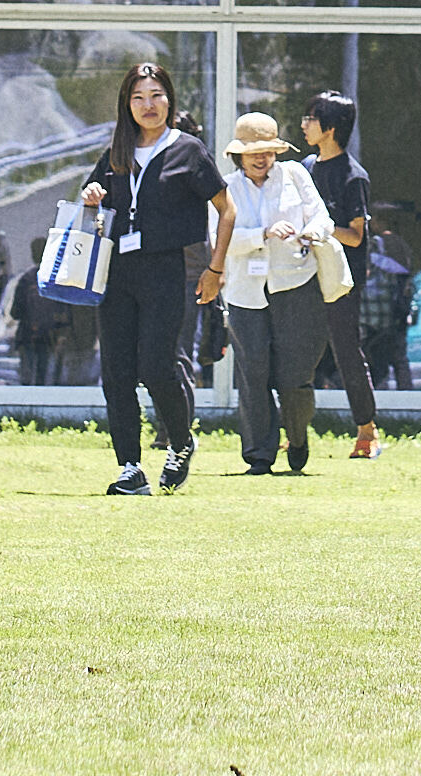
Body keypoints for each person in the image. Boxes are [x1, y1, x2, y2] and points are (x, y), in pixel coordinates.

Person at [88, 56, 217, 493]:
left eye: (156, 96)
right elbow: (95, 202)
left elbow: (227, 208)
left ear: (169, 100)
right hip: (117, 272)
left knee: (158, 367)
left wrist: (216, 269)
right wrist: (92, 196)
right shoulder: (116, 152)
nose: (148, 105)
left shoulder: (187, 149)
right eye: (138, 97)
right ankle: (130, 466)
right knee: (117, 372)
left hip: (165, 269)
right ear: (126, 104)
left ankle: (180, 443)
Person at [207, 106, 345, 474]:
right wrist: (262, 234)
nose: (262, 159)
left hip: (296, 285)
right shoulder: (226, 187)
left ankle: (297, 436)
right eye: (254, 153)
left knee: (296, 376)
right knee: (252, 374)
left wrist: (312, 232)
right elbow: (218, 241)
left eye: (268, 152)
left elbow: (322, 217)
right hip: (245, 293)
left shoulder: (295, 174)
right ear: (239, 155)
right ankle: (259, 455)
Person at [293, 91, 386, 461]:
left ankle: (367, 429)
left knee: (346, 350)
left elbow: (356, 235)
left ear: (330, 128)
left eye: (310, 118)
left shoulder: (353, 176)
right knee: (298, 352)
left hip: (342, 280)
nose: (304, 125)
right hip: (305, 272)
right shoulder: (306, 167)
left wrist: (321, 228)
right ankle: (294, 432)